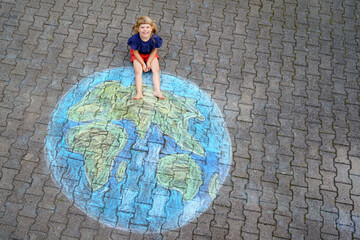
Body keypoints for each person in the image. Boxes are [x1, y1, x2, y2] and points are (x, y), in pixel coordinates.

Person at [127, 16, 165, 100]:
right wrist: (143, 64)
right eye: (142, 27)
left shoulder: (155, 38)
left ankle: (157, 91)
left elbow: (154, 51)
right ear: (137, 28)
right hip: (138, 55)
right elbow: (135, 52)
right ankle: (139, 93)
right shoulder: (134, 39)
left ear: (151, 28)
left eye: (147, 27)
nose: (145, 30)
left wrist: (148, 62)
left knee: (156, 70)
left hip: (150, 54)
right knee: (138, 71)